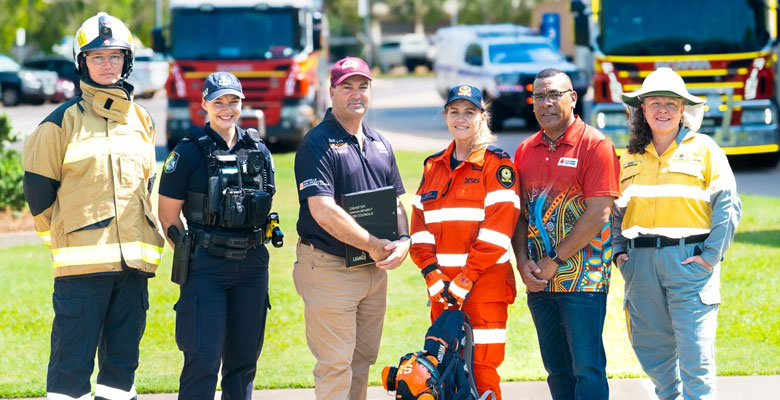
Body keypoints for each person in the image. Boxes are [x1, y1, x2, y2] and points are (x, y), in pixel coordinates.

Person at [21, 12, 163, 399]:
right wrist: (67, 238)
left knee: (121, 373)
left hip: (133, 268)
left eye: (115, 56)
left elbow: (147, 186)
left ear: (127, 61)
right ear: (82, 63)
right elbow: (38, 193)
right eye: (97, 57)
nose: (107, 64)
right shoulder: (59, 122)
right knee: (70, 371)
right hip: (80, 269)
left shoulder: (142, 120)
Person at [613, 67, 742, 400]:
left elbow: (727, 206)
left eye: (671, 103)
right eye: (654, 102)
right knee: (650, 350)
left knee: (695, 356)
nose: (662, 110)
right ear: (642, 109)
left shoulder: (705, 149)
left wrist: (710, 257)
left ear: (683, 109)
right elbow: (616, 213)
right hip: (639, 267)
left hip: (690, 263)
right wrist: (619, 253)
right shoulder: (628, 157)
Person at [293, 56, 410, 400]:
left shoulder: (379, 143)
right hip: (330, 267)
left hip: (372, 270)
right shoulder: (317, 143)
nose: (356, 94)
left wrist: (403, 239)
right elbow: (322, 211)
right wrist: (375, 244)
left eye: (363, 86)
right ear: (332, 92)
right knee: (335, 364)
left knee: (362, 361)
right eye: (347, 87)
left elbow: (396, 201)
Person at [157, 71, 277, 399]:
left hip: (252, 267)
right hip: (205, 267)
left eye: (234, 101)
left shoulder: (259, 150)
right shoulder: (188, 152)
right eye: (219, 102)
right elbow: (168, 216)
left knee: (243, 363)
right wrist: (193, 250)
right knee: (203, 360)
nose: (227, 109)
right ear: (204, 104)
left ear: (242, 103)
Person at [511, 68, 619, 400]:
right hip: (539, 281)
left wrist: (554, 259)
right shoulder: (525, 151)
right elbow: (519, 214)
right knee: (556, 367)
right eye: (538, 96)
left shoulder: (595, 145)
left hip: (584, 281)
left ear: (572, 98)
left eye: (554, 94)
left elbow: (599, 212)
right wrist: (522, 262)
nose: (545, 103)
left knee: (587, 367)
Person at [409, 85, 520, 399]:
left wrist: (463, 279)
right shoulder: (433, 167)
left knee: (482, 370)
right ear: (445, 116)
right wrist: (432, 274)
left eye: (469, 112)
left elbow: (497, 234)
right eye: (454, 111)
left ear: (481, 117)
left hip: (483, 288)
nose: (461, 118)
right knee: (443, 370)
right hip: (442, 292)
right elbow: (419, 231)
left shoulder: (497, 166)